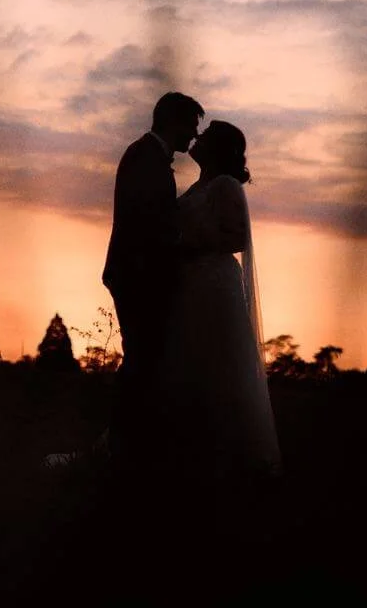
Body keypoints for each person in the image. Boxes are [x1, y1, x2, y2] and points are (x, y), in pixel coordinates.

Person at [157, 119, 281, 483]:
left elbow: (238, 238)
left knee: (215, 363)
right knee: (188, 363)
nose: (198, 136)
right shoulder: (200, 185)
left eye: (207, 134)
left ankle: (223, 463)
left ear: (219, 148)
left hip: (213, 285)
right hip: (191, 285)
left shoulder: (226, 185)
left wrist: (187, 246)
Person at [102, 91, 204, 468]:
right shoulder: (144, 157)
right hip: (137, 276)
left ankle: (130, 444)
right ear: (172, 121)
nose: (194, 135)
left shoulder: (149, 157)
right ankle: (122, 446)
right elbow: (147, 225)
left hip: (140, 275)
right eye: (190, 126)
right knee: (141, 361)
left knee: (144, 360)